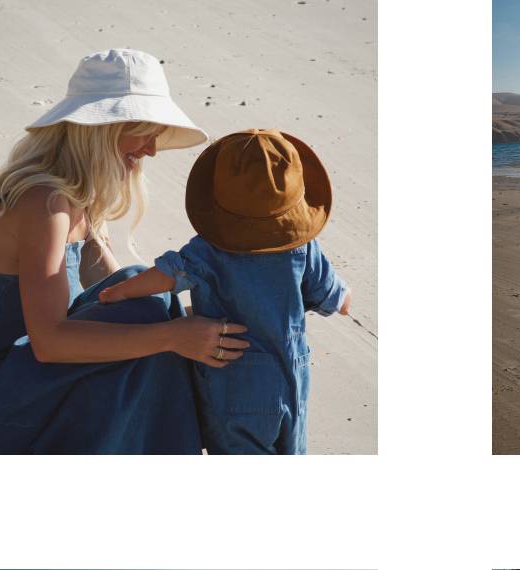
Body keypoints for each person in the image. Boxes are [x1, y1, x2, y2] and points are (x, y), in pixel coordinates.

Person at [0, 47, 248, 453]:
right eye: (144, 130)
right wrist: (173, 334)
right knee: (152, 322)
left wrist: (209, 319)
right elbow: (49, 341)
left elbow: (119, 300)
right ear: (101, 130)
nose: (151, 149)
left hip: (26, 384)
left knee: (151, 315)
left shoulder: (78, 203)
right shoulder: (43, 202)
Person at [97, 129, 350, 454]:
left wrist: (118, 292)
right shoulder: (302, 248)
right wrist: (344, 298)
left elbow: (166, 276)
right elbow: (337, 298)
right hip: (292, 376)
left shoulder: (209, 251)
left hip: (233, 378)